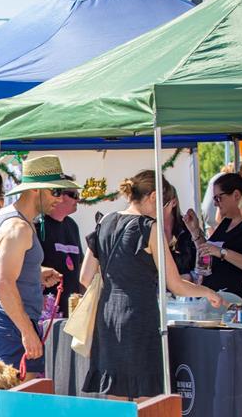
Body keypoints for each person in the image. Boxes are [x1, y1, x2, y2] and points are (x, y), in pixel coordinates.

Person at [80, 171, 223, 400]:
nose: (166, 211)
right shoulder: (148, 227)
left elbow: (85, 277)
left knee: (116, 395)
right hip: (139, 316)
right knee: (146, 400)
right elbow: (175, 284)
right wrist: (208, 292)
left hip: (107, 316)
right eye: (165, 204)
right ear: (154, 196)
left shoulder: (104, 221)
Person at [0, 156, 67, 378]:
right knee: (22, 400)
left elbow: (4, 270)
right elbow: (3, 283)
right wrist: (26, 331)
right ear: (36, 190)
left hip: (8, 321)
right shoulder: (18, 227)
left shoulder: (9, 218)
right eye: (55, 192)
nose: (60, 199)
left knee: (19, 399)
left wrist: (36, 274)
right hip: (9, 322)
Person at [185, 173, 242, 301]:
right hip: (216, 301)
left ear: (236, 195)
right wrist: (195, 231)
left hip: (238, 303)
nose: (215, 204)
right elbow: (208, 252)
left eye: (218, 198)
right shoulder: (225, 223)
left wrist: (223, 252)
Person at [37, 179, 84, 316]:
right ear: (59, 195)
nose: (78, 199)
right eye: (74, 195)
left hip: (71, 308)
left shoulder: (72, 225)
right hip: (47, 310)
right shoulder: (38, 225)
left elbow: (79, 265)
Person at [163, 183, 196, 279]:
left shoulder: (187, 227)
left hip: (187, 289)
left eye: (163, 204)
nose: (157, 209)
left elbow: (203, 261)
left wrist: (190, 276)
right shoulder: (146, 228)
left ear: (173, 202)